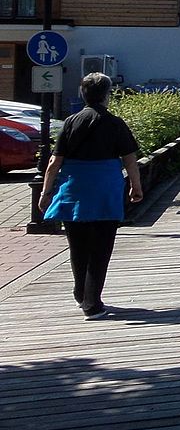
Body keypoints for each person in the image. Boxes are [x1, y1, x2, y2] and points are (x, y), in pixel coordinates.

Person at [39, 72, 143, 320]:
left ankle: (80, 293)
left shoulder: (71, 122)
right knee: (101, 247)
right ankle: (92, 303)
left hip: (74, 189)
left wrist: (46, 192)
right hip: (105, 189)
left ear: (82, 94)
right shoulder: (115, 123)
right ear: (107, 95)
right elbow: (129, 159)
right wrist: (136, 187)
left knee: (77, 245)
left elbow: (55, 162)